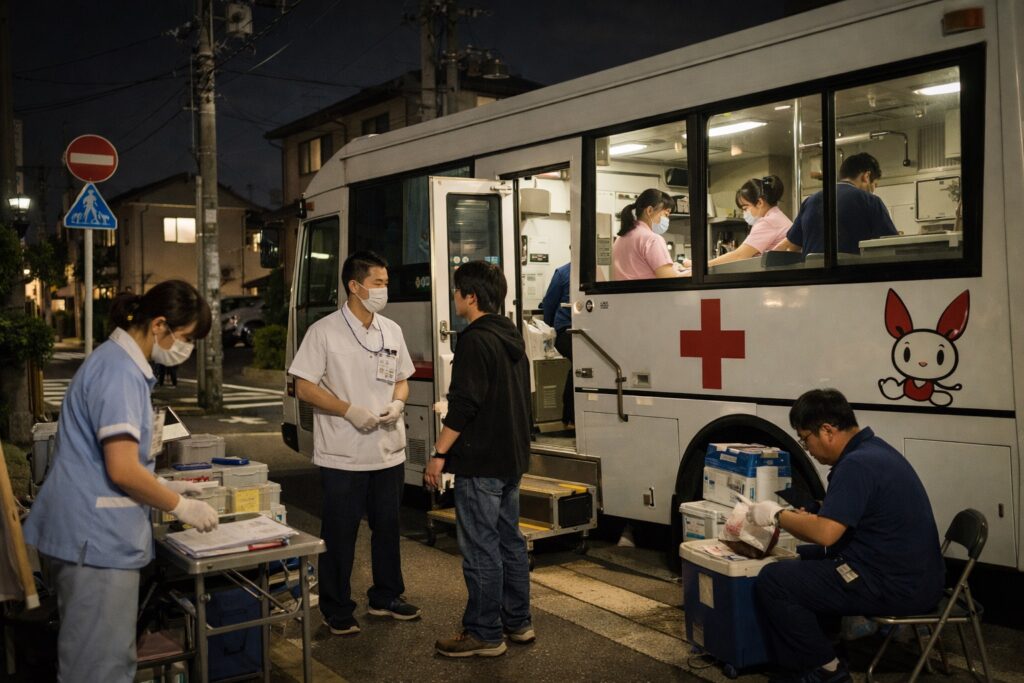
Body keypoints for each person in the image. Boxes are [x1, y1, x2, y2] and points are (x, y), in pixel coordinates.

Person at [22, 280, 217, 682]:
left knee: (99, 659)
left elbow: (113, 459)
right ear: (159, 325)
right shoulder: (120, 374)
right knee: (100, 669)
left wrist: (168, 487)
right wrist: (181, 505)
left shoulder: (115, 362)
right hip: (96, 543)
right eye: (185, 338)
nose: (186, 349)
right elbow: (122, 470)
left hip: (88, 536)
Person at [746, 388, 945, 683]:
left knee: (775, 581)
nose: (808, 449)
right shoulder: (875, 451)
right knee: (804, 558)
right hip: (917, 575)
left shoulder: (856, 464)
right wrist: (815, 512)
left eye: (805, 439)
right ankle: (827, 646)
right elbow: (854, 514)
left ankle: (826, 669)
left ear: (827, 430)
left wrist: (776, 515)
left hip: (894, 584)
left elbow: (827, 533)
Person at [288, 250, 420, 637]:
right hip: (343, 453)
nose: (384, 291)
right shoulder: (324, 331)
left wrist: (398, 401)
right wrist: (347, 410)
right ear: (354, 286)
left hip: (387, 450)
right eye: (378, 283)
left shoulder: (390, 330)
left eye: (385, 283)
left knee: (388, 528)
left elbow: (402, 377)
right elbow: (303, 386)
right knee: (340, 534)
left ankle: (386, 596)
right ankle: (336, 607)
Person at [425, 260, 534, 658]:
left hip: (481, 460)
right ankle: (517, 622)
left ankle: (484, 633)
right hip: (511, 458)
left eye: (457, 291)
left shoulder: (473, 339)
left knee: (481, 548)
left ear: (471, 297)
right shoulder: (511, 335)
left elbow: (464, 405)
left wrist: (438, 454)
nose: (454, 297)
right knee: (510, 542)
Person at [775, 152, 898, 255]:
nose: (873, 190)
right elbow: (892, 245)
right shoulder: (870, 201)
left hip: (813, 279)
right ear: (866, 176)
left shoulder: (810, 201)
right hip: (855, 278)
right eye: (874, 185)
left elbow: (791, 246)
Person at [708, 175, 791, 267]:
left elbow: (739, 256)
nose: (744, 213)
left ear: (759, 203)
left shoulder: (767, 222)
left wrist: (702, 266)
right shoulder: (777, 216)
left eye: (745, 208)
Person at [612, 188, 687, 280]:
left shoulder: (622, 236)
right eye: (666, 214)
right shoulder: (652, 239)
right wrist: (691, 273)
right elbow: (669, 280)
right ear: (650, 211)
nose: (667, 220)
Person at [540, 261, 574, 427]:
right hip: (566, 330)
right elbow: (550, 303)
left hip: (566, 329)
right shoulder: (563, 273)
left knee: (578, 368)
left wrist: (549, 326)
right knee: (581, 366)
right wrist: (549, 328)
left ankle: (570, 417)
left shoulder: (562, 273)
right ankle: (570, 417)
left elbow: (549, 302)